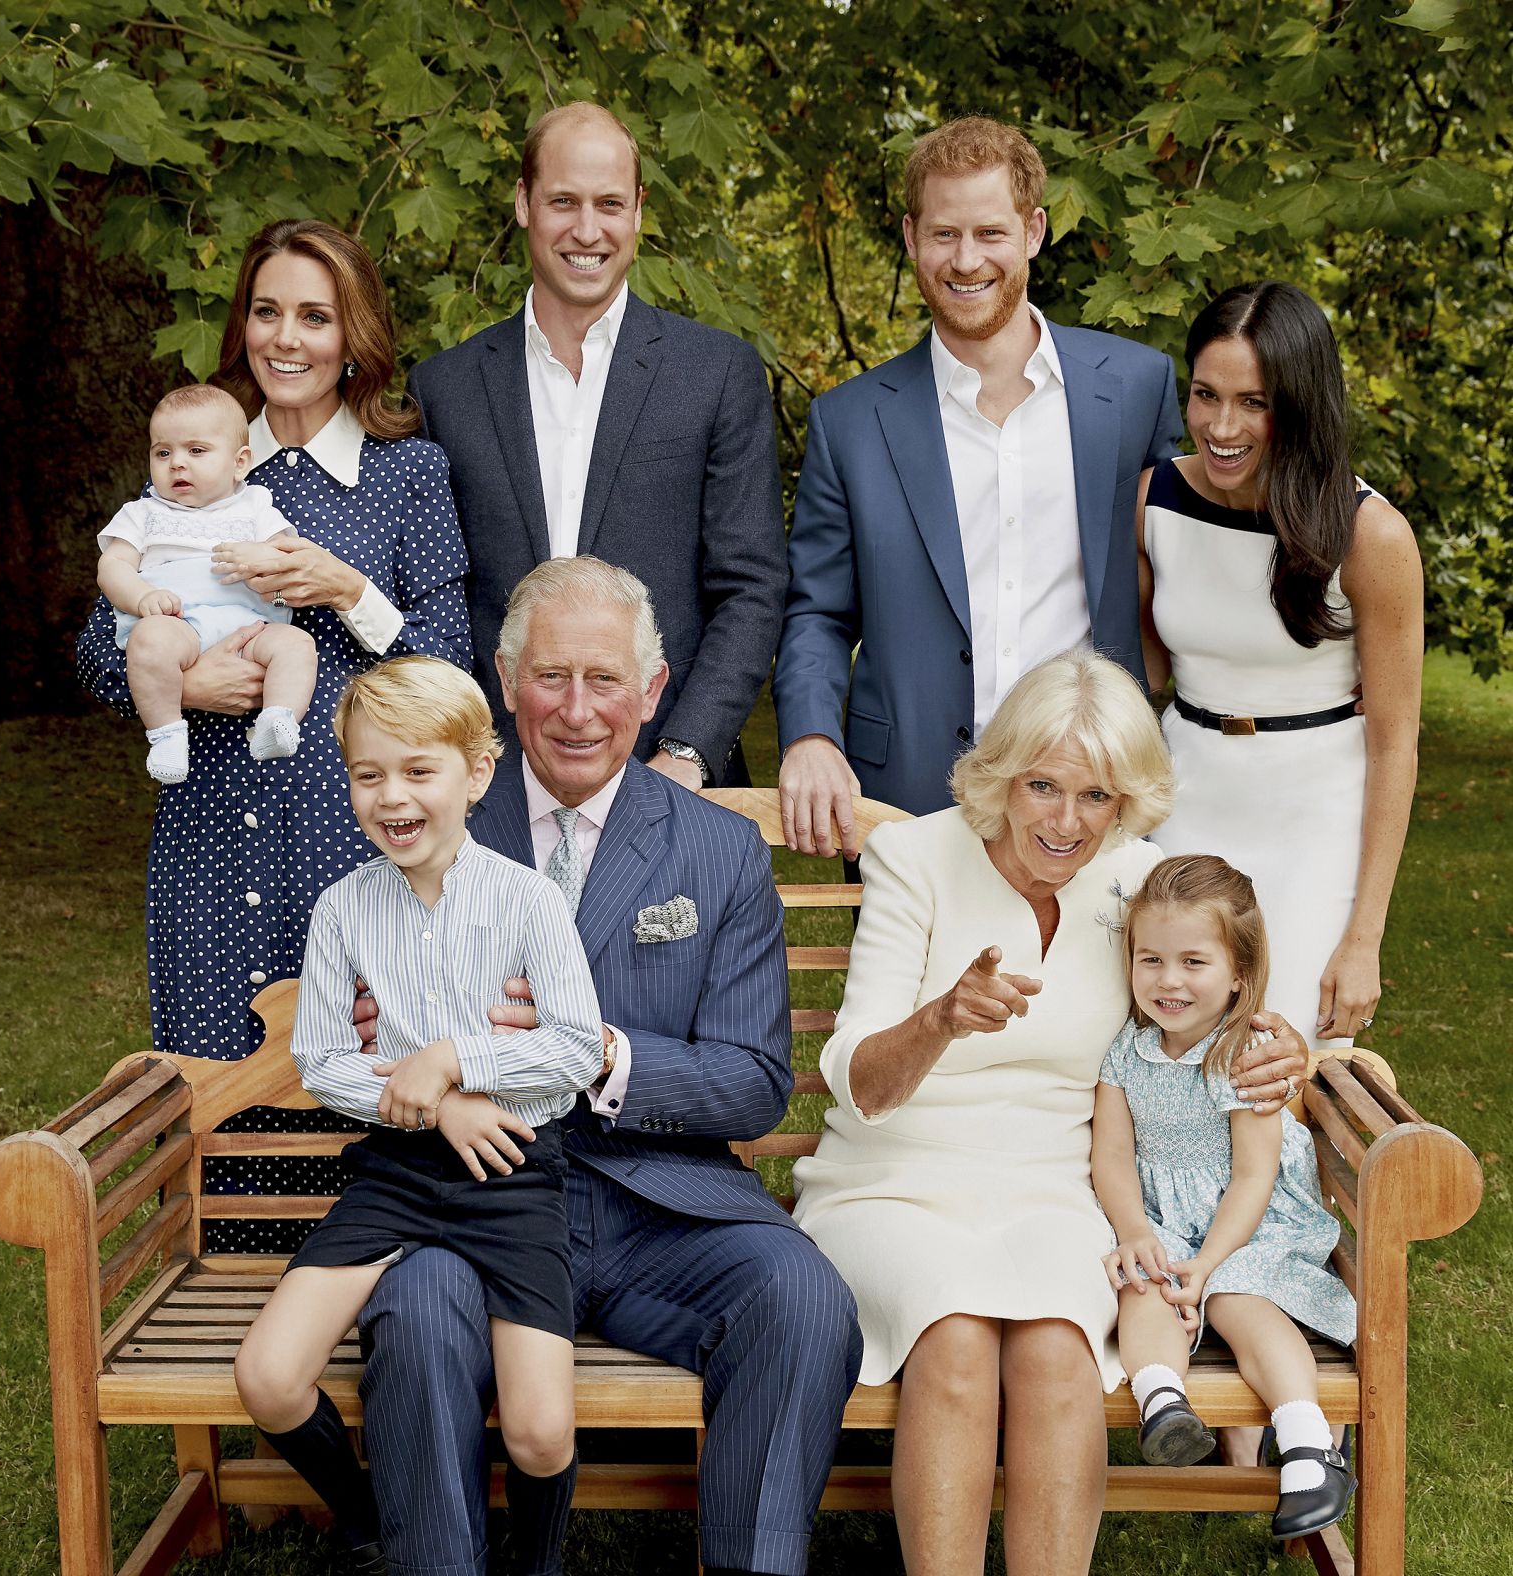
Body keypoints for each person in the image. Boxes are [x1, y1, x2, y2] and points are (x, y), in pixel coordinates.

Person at [355, 557, 863, 1576]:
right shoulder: (420, 825)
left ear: (652, 691)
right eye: (550, 677)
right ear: (503, 679)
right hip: (472, 1200)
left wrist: (594, 1051)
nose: (577, 711)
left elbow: (754, 1083)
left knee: (799, 1295)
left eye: (604, 681)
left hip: (658, 1204)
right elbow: (370, 1032)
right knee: (413, 1313)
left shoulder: (716, 851)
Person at [791, 650, 1308, 1576]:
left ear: (1126, 803)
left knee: (1058, 1349)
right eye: (1042, 786)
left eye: (1097, 797)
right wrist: (942, 1018)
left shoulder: (1138, 879)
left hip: (1060, 1184)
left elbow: (1220, 1000)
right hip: (893, 1177)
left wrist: (1277, 1046)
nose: (1066, 822)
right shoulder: (915, 858)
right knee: (952, 1337)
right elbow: (859, 1084)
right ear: (1003, 776)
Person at [77, 218, 471, 1247]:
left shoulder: (407, 475)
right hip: (207, 840)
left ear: (354, 335)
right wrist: (183, 680)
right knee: (220, 1107)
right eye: (265, 311)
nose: (285, 337)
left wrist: (348, 590)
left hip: (353, 849)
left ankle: (384, 1351)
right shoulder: (196, 457)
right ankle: (242, 1352)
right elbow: (91, 646)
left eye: (314, 314)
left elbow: (451, 661)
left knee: (373, 1095)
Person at [234, 657, 603, 1576]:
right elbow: (323, 1062)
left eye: (418, 770)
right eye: (369, 774)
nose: (392, 796)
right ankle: (364, 1524)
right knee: (269, 1378)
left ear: (477, 773)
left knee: (542, 1435)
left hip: (515, 1173)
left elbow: (571, 1051)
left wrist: (455, 1060)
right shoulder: (343, 911)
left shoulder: (531, 901)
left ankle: (538, 1556)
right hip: (397, 1173)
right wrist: (436, 1105)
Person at [774, 115, 1183, 849]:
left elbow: (1183, 565)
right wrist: (808, 734)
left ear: (1033, 231)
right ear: (910, 236)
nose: (966, 261)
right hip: (907, 796)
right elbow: (818, 614)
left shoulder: (1134, 389)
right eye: (943, 234)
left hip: (1096, 792)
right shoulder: (850, 421)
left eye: (990, 233)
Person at [407, 101, 786, 789]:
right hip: (494, 785)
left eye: (610, 203)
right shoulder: (443, 390)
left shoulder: (716, 373)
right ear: (524, 202)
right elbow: (438, 597)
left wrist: (688, 752)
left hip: (670, 777)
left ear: (639, 210)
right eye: (563, 201)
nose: (588, 230)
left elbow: (751, 588)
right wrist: (467, 751)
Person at [1138, 281, 1423, 1048]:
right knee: (1166, 1049)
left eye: (1253, 403)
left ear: (1297, 404)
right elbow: (1144, 677)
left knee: (1282, 1060)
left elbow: (1396, 742)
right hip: (1184, 803)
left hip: (1314, 820)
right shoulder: (1154, 502)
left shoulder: (1371, 535)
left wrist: (1363, 939)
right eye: (1204, 395)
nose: (1221, 426)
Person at [1092, 853, 1356, 1542]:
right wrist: (1134, 1230)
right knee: (1143, 1286)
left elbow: (1252, 1178)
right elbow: (1113, 1157)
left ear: (1239, 972)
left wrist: (1206, 1266)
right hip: (1163, 1222)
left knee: (1238, 1299)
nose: (1168, 981)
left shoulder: (1246, 1052)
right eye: (1150, 960)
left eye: (1193, 962)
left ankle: (1307, 1445)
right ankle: (1165, 1406)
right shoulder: (1125, 1051)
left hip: (1249, 1226)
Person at [96, 384, 317, 784]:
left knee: (297, 645)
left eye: (196, 451)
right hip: (176, 623)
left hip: (250, 627)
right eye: (163, 452)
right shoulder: (143, 513)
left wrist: (264, 557)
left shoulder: (256, 507)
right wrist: (142, 596)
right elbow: (111, 567)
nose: (177, 463)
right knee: (149, 643)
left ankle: (279, 718)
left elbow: (288, 557)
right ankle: (166, 733)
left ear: (239, 463)